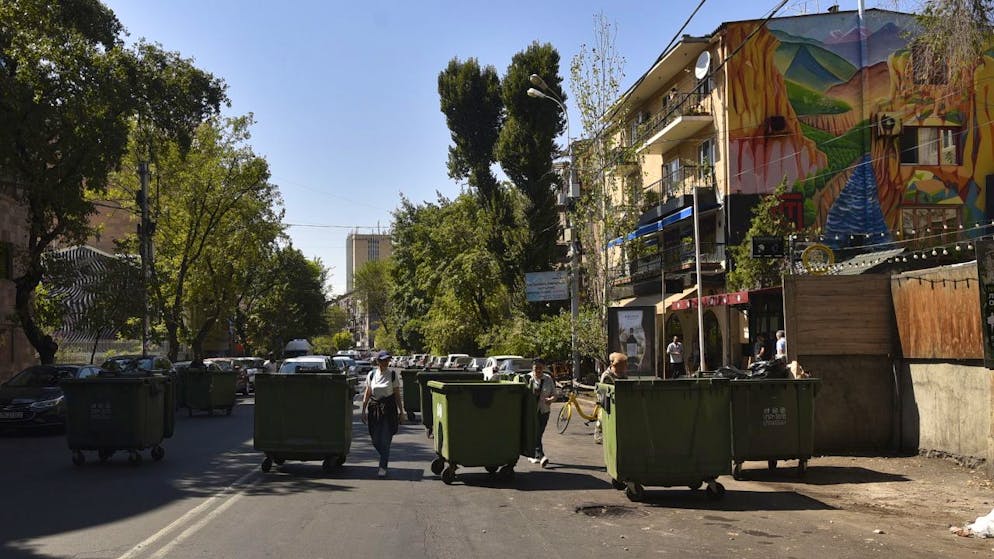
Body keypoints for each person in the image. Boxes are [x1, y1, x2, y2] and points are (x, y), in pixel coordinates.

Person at [361, 350, 405, 478]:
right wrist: (363, 410)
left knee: (385, 439)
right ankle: (384, 455)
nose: (386, 362)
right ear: (378, 361)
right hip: (374, 409)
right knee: (375, 440)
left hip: (389, 409)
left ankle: (383, 466)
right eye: (383, 360)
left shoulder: (392, 375)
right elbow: (368, 393)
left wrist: (401, 412)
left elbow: (397, 395)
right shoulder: (371, 375)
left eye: (387, 360)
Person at [594, 352, 628, 444]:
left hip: (620, 403)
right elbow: (604, 392)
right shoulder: (607, 376)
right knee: (603, 417)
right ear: (615, 365)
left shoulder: (623, 375)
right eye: (622, 366)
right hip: (608, 403)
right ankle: (599, 435)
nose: (624, 368)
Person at [527, 359, 556, 468]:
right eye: (536, 368)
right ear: (532, 368)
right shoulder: (528, 378)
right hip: (531, 412)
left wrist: (551, 399)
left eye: (540, 368)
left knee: (539, 433)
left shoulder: (548, 379)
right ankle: (541, 456)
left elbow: (554, 394)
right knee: (536, 433)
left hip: (544, 410)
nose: (538, 370)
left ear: (543, 368)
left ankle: (533, 454)